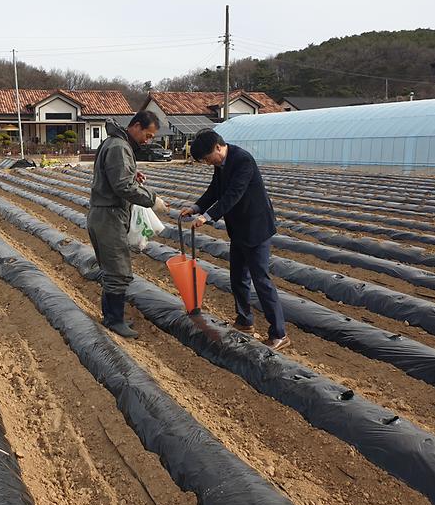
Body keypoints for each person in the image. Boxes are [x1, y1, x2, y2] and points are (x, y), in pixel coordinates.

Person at [180, 130, 291, 350]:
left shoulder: (243, 161)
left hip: (256, 227)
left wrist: (207, 216)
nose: (206, 162)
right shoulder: (220, 164)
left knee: (261, 280)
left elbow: (233, 194)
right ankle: (244, 321)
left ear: (218, 148)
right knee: (238, 277)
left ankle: (279, 333)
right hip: (239, 228)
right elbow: (215, 190)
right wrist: (196, 207)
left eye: (206, 158)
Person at [88, 112, 168, 338]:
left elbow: (117, 176)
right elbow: (122, 186)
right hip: (109, 215)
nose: (148, 140)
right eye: (148, 135)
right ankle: (114, 320)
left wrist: (132, 174)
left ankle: (113, 315)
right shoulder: (119, 147)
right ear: (136, 126)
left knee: (114, 269)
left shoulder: (115, 143)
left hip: (106, 214)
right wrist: (152, 199)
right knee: (118, 271)